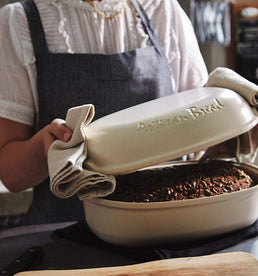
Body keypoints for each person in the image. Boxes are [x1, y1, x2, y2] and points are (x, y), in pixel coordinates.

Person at [0, 0, 208, 225]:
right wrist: (47, 147)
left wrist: (231, 129)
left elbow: (203, 128)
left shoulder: (162, 10)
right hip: (67, 234)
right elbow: (11, 176)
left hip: (171, 223)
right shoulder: (18, 21)